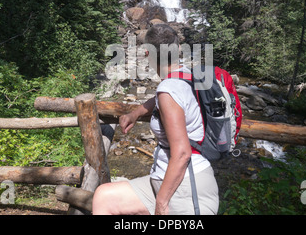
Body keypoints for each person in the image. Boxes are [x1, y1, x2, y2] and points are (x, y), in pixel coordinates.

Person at [92, 24, 219, 215]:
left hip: (186, 187)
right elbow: (163, 99)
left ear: (146, 53)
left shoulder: (168, 90)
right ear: (177, 49)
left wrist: (162, 201)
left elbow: (183, 153)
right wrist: (135, 113)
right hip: (167, 180)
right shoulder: (186, 76)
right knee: (105, 197)